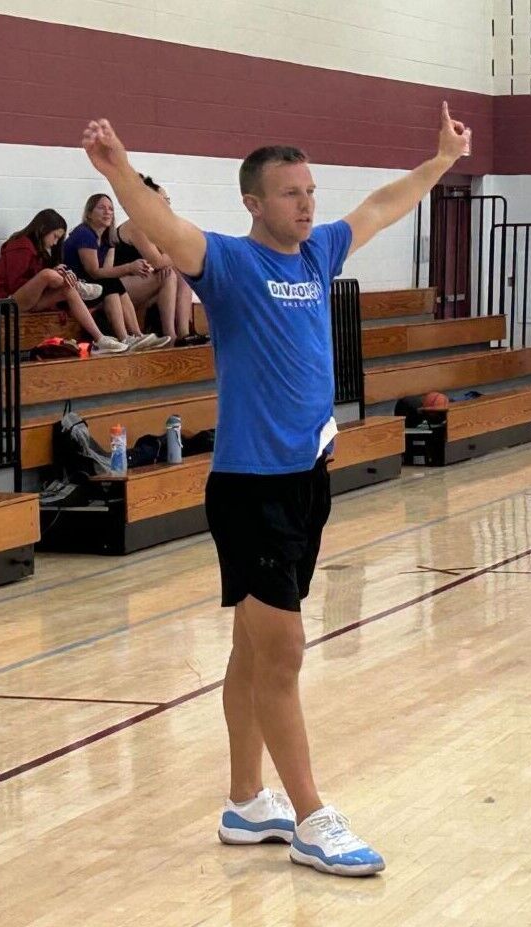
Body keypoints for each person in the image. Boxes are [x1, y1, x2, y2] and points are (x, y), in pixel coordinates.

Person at [81, 104, 472, 876]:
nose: (308, 203)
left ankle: (245, 798)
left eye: (310, 190)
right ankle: (311, 817)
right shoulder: (228, 263)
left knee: (251, 650)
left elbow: (380, 207)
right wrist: (118, 171)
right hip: (250, 488)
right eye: (291, 193)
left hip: (306, 483)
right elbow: (164, 221)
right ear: (254, 203)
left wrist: (440, 165)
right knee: (284, 653)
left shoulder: (318, 254)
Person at [0, 209, 126, 354]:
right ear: (43, 229)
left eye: (59, 239)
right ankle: (79, 286)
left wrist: (54, 274)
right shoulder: (21, 246)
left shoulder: (38, 250)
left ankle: (100, 338)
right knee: (48, 274)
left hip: (25, 301)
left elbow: (33, 281)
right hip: (5, 303)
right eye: (55, 237)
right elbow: (15, 284)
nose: (55, 243)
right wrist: (48, 276)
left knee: (67, 288)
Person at [64, 193, 168, 349]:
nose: (107, 212)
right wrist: (129, 267)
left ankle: (136, 335)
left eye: (111, 209)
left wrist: (114, 251)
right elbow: (94, 272)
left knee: (113, 283)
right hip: (78, 289)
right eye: (101, 208)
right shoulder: (84, 233)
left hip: (93, 287)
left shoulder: (106, 237)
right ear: (90, 214)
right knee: (111, 284)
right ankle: (126, 337)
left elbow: (107, 271)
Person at [112, 175, 196, 344]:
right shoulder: (137, 225)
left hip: (142, 281)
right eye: (162, 200)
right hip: (120, 287)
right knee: (168, 274)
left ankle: (184, 332)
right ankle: (170, 333)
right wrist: (178, 251)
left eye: (168, 200)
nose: (166, 205)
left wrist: (175, 254)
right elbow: (159, 261)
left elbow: (170, 257)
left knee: (182, 273)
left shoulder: (155, 226)